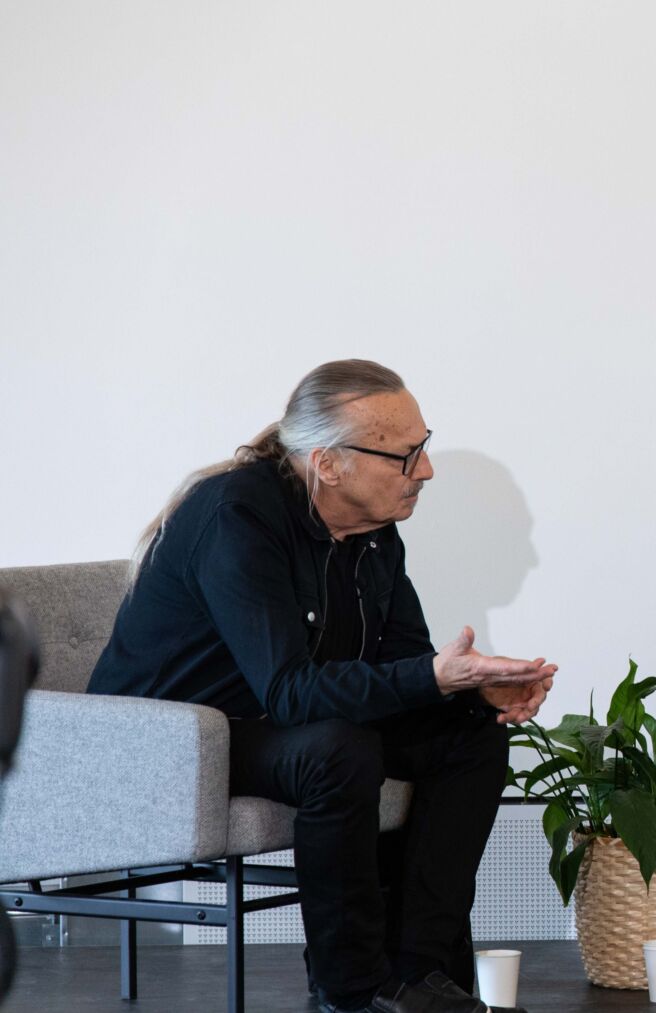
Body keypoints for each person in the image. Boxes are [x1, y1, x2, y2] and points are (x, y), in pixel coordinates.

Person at [89, 360, 556, 1013]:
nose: (426, 470)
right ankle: (353, 988)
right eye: (405, 454)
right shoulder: (237, 515)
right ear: (328, 464)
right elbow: (291, 691)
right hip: (170, 735)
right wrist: (432, 676)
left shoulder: (374, 534)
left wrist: (472, 690)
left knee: (468, 735)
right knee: (338, 750)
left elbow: (404, 665)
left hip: (265, 723)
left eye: (425, 446)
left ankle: (418, 973)